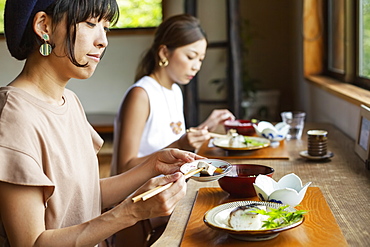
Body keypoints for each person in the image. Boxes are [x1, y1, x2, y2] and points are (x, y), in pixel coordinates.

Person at [0, 1, 203, 246]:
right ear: (44, 26)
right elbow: (32, 243)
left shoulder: (70, 101)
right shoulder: (13, 116)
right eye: (91, 23)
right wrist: (131, 212)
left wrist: (153, 165)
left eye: (105, 27)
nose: (103, 40)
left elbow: (83, 195)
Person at [111, 14, 235, 176]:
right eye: (191, 57)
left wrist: (205, 128)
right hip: (140, 195)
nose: (196, 66)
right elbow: (125, 167)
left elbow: (172, 140)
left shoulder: (175, 90)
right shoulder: (141, 94)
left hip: (171, 186)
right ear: (164, 53)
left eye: (201, 59)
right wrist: (181, 144)